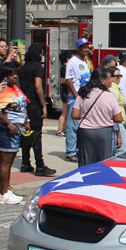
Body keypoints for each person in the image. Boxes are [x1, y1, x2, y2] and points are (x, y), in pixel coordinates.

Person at [18, 44, 56, 177]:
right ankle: (40, 165)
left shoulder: (23, 68)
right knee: (36, 134)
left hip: (23, 103)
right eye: (41, 53)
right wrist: (44, 105)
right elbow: (38, 87)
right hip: (34, 103)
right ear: (38, 54)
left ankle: (25, 162)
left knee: (27, 133)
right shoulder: (37, 67)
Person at [71, 68, 122, 167]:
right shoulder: (109, 96)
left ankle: (86, 181)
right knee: (103, 163)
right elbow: (118, 119)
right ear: (102, 80)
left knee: (86, 162)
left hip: (85, 132)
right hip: (104, 133)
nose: (111, 80)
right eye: (109, 78)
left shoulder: (82, 94)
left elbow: (75, 115)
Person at [0, 63, 29, 204]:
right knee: (5, 162)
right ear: (4, 76)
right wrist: (9, 124)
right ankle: (4, 193)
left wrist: (26, 120)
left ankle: (5, 189)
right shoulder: (3, 89)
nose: (15, 76)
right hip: (7, 130)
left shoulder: (15, 89)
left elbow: (21, 106)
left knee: (9, 162)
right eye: (11, 74)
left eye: (15, 73)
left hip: (17, 129)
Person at [65, 38, 92, 163]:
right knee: (72, 126)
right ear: (78, 48)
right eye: (84, 47)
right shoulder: (72, 61)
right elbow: (69, 81)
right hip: (75, 99)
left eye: (87, 46)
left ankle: (77, 150)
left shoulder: (85, 62)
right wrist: (77, 97)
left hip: (84, 98)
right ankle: (70, 152)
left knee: (81, 126)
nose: (86, 49)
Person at [107, 66, 126, 155]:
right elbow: (112, 108)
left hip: (115, 124)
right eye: (117, 76)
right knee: (121, 152)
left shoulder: (114, 87)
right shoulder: (113, 88)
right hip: (116, 125)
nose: (119, 78)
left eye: (120, 76)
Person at [56, 51, 73, 137]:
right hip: (65, 92)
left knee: (67, 112)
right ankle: (59, 130)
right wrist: (70, 81)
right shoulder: (64, 68)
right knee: (64, 112)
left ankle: (64, 129)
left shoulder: (66, 67)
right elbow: (62, 80)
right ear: (67, 59)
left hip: (66, 92)